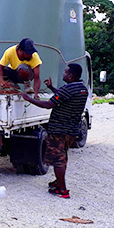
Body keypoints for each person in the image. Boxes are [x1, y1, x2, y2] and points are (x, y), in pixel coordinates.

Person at [20, 64, 88, 199]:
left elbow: (48, 105)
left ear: (71, 76)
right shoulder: (81, 89)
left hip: (59, 131)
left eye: (65, 72)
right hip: (71, 131)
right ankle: (58, 182)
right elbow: (64, 97)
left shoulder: (67, 89)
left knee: (58, 160)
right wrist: (51, 88)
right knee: (63, 157)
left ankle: (63, 190)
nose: (63, 73)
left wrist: (28, 99)